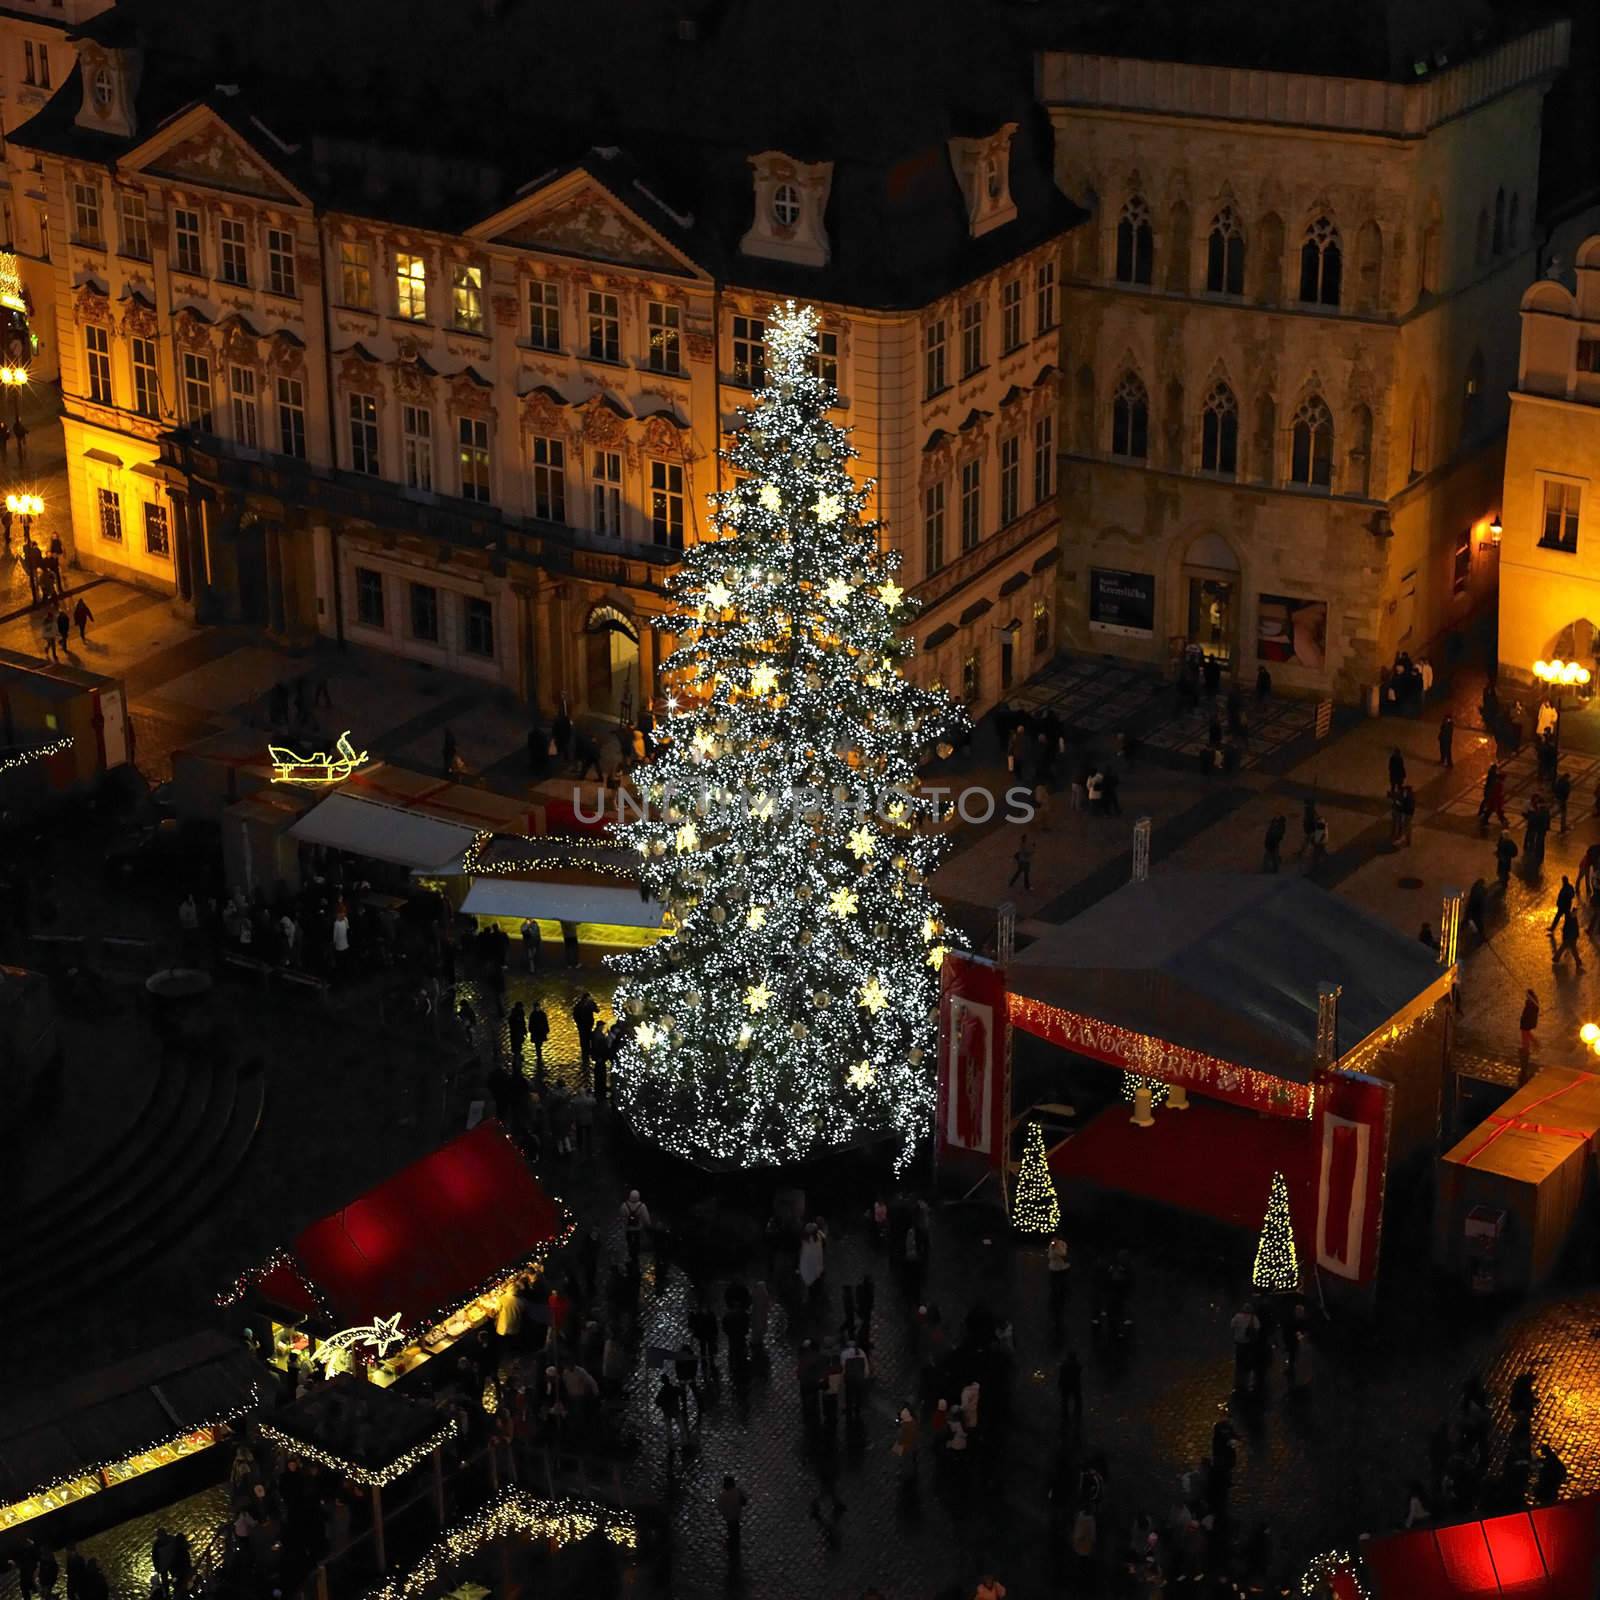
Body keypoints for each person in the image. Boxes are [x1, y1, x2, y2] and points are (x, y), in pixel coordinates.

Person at [716, 1474, 748, 1556]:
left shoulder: (722, 1495)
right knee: (735, 1530)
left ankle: (731, 1543)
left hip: (728, 1517)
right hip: (736, 1515)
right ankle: (734, 1545)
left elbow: (720, 1507)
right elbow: (744, 1502)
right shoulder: (737, 1492)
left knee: (731, 1529)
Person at [621, 1188, 650, 1264]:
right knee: (637, 1244)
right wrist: (648, 1226)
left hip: (628, 1229)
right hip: (638, 1229)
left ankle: (630, 1257)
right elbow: (646, 1219)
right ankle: (635, 1258)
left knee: (629, 1244)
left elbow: (622, 1218)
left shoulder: (624, 1205)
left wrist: (624, 1225)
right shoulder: (642, 1206)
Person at [1047, 1234, 1070, 1326]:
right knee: (1054, 1284)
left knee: (1062, 1284)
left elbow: (1063, 1253)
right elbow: (1050, 1256)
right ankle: (1055, 1298)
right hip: (1054, 1268)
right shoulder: (1051, 1245)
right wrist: (1053, 1248)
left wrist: (1056, 1247)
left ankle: (1062, 1296)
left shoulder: (1062, 1244)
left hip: (1062, 1268)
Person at [1059, 1348, 1083, 1430]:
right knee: (1077, 1401)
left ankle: (1065, 1416)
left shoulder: (1064, 1365)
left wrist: (1060, 1384)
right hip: (1074, 1385)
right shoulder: (1077, 1365)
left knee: (1065, 1401)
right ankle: (1076, 1415)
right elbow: (1078, 1374)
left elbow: (1061, 1376)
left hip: (1066, 1385)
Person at [527, 1000, 549, 1078]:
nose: (537, 1008)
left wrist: (546, 1029)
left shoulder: (541, 1014)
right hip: (536, 1033)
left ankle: (539, 1053)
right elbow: (530, 1024)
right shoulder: (533, 1015)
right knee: (537, 1044)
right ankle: (538, 1053)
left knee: (539, 1043)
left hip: (540, 1032)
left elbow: (545, 1022)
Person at [1519, 989, 1540, 1059]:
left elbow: (1527, 1014)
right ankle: (1535, 1042)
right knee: (1526, 1033)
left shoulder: (1531, 1004)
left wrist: (1523, 1019)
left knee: (1524, 1035)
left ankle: (1526, 1049)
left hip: (1526, 1022)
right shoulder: (1533, 1003)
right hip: (1528, 1022)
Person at [1554, 769, 1573, 833]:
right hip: (1563, 799)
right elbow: (1566, 792)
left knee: (1562, 812)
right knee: (1564, 813)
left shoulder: (1559, 781)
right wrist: (1565, 798)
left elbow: (1555, 789)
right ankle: (1563, 827)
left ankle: (1563, 826)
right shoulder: (1566, 783)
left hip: (1559, 798)